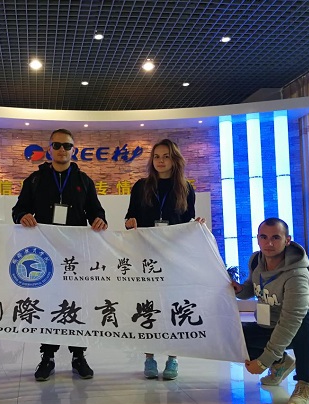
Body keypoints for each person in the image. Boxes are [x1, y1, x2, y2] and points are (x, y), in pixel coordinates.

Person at [12, 128, 108, 381]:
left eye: (67, 146)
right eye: (57, 145)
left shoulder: (84, 181)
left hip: (76, 255)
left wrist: (99, 220)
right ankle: (47, 356)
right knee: (47, 303)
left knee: (77, 303)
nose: (62, 150)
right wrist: (22, 216)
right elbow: (18, 210)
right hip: (44, 256)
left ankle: (79, 355)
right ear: (49, 149)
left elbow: (96, 211)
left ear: (73, 150)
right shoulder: (35, 180)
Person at [125, 138, 204, 380]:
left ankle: (173, 358)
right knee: (148, 306)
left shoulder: (185, 188)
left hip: (174, 258)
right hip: (146, 255)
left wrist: (196, 225)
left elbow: (188, 221)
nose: (160, 161)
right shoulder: (141, 186)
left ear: (174, 159)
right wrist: (130, 222)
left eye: (166, 156)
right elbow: (130, 217)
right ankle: (149, 357)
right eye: (156, 156)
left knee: (173, 306)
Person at [231, 217, 309, 404]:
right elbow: (253, 286)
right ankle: (281, 363)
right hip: (269, 325)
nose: (269, 243)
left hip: (302, 330)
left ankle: (305, 384)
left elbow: (291, 320)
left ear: (287, 240)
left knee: (305, 319)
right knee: (234, 333)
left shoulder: (297, 274)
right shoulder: (256, 260)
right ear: (258, 239)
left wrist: (264, 361)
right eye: (264, 237)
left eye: (276, 237)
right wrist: (240, 290)